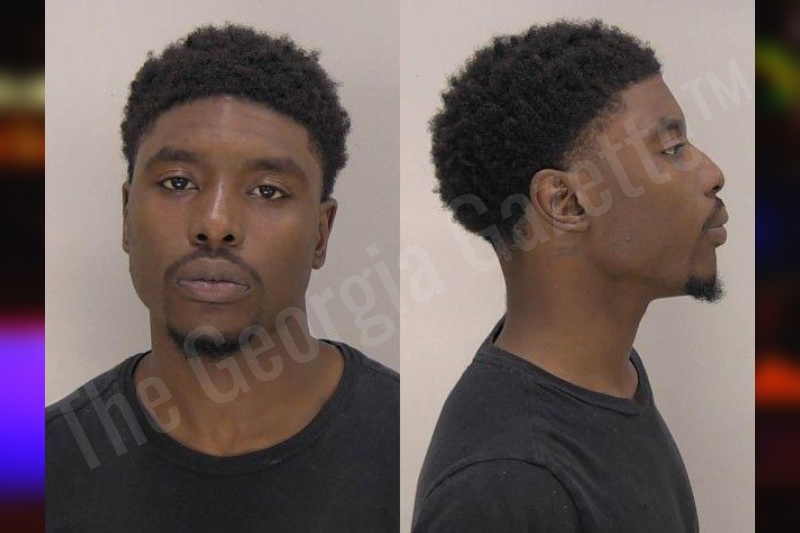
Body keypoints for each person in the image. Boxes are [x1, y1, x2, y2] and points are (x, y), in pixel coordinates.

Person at [46, 24, 399, 532]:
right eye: (178, 182)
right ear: (126, 215)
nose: (215, 225)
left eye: (267, 190)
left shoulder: (406, 451)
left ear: (321, 234)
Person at [413, 20, 726, 532]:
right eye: (672, 149)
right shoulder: (504, 483)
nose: (712, 173)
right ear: (566, 202)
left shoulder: (610, 379)